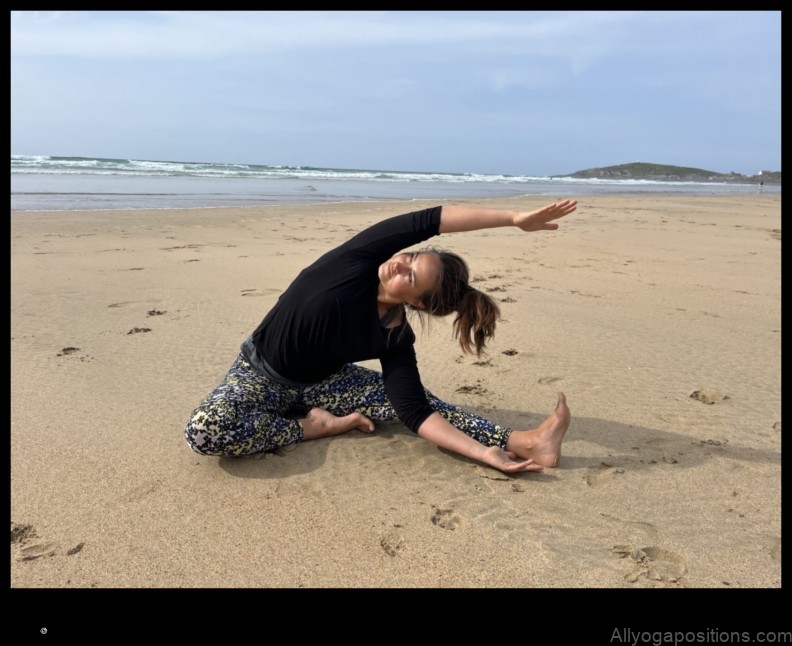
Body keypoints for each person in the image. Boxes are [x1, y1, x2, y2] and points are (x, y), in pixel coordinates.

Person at [184, 199, 578, 474]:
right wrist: (513, 218)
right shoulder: (354, 262)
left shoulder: (396, 336)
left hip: (326, 386)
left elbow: (415, 412)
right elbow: (431, 219)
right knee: (205, 431)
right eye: (409, 258)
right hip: (257, 374)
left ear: (419, 304)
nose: (399, 265)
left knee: (427, 401)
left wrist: (484, 454)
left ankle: (523, 442)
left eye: (411, 276)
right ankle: (316, 427)